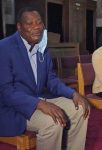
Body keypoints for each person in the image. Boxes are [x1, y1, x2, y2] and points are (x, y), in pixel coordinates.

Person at [0, 7, 90, 150]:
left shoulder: (42, 48)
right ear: (19, 27)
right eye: (30, 24)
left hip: (38, 98)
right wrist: (40, 104)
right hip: (14, 108)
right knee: (53, 122)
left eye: (39, 22)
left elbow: (51, 80)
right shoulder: (4, 48)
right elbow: (6, 93)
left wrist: (73, 94)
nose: (36, 27)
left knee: (80, 107)